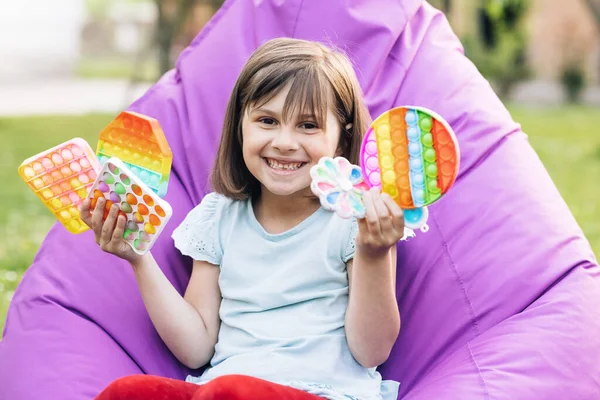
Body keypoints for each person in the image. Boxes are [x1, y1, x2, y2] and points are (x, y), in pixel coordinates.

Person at [81, 37, 411, 400]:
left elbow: (372, 350)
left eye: (308, 126)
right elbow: (196, 347)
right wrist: (137, 256)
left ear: (341, 136)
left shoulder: (356, 220)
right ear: (241, 125)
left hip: (322, 391)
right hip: (223, 388)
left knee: (230, 392)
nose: (285, 141)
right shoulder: (218, 217)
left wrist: (374, 253)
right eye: (267, 121)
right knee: (128, 392)